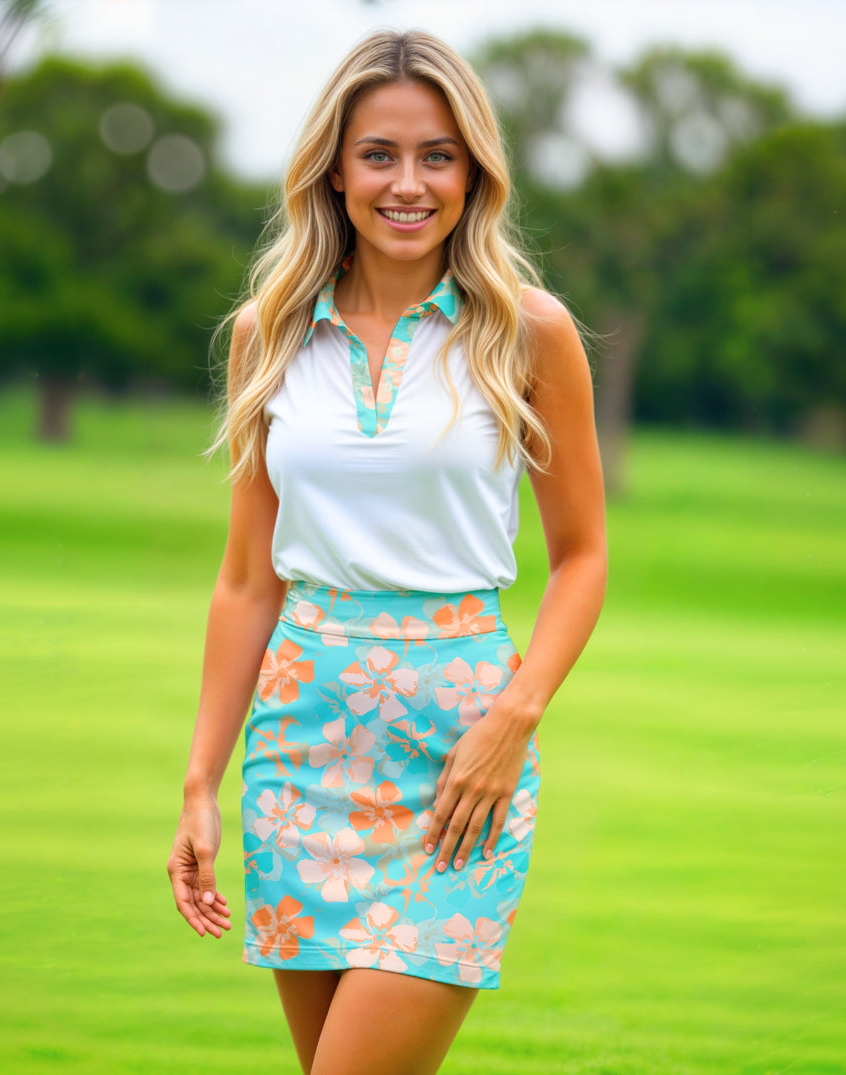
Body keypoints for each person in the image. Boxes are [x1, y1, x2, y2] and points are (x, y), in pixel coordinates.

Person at [167, 28, 606, 1075]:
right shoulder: (268, 334)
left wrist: (514, 717)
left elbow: (582, 556)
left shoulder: (529, 331)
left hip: (461, 758)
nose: (408, 184)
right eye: (378, 155)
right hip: (300, 751)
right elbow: (248, 580)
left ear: (473, 173)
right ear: (334, 170)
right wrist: (199, 781)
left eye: (436, 156)